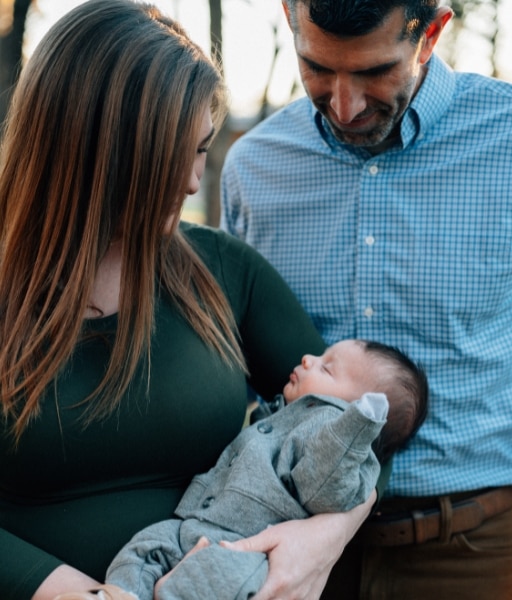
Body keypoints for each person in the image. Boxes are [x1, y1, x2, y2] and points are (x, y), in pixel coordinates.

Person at [0, 2, 377, 599]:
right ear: (96, 152)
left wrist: (325, 537)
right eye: (172, 154)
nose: (192, 181)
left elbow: (350, 424)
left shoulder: (223, 271)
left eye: (202, 149)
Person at [219, 0, 512, 596]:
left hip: (464, 552)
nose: (345, 104)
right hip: (284, 548)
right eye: (317, 67)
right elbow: (231, 370)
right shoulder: (252, 169)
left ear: (432, 34)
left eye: (373, 72)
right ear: (290, 17)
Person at [91, 340, 429, 600]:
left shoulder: (333, 435)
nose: (308, 360)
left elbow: (324, 489)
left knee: (211, 580)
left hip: (246, 550)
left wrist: (352, 431)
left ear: (355, 414)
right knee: (142, 548)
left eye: (326, 369)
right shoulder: (288, 413)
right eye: (320, 357)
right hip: (194, 526)